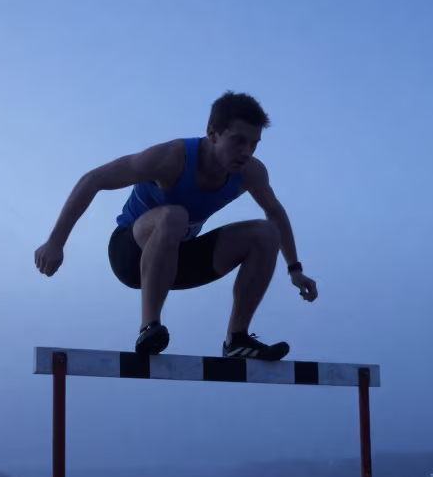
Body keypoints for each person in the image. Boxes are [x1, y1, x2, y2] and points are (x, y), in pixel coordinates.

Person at [34, 91, 318, 359]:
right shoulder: (171, 158)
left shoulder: (251, 173)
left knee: (265, 232)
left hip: (180, 257)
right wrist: (55, 243)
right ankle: (149, 327)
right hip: (130, 254)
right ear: (212, 133)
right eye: (238, 140)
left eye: (254, 144)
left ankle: (237, 340)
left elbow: (276, 213)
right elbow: (92, 180)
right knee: (174, 216)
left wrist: (295, 269)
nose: (246, 152)